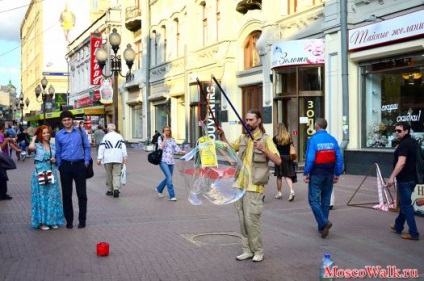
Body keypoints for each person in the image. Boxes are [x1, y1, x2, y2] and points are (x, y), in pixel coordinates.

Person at [217, 109, 281, 262]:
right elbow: (229, 149)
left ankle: (258, 250)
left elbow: (278, 161)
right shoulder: (244, 138)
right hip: (239, 184)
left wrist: (263, 149)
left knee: (251, 220)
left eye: (251, 120)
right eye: (247, 120)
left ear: (259, 121)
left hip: (255, 186)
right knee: (242, 220)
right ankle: (247, 250)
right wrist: (222, 135)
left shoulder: (266, 139)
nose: (248, 122)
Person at [303, 118, 343, 239]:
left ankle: (324, 222)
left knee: (313, 200)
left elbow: (310, 158)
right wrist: (337, 173)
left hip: (316, 173)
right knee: (325, 199)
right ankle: (323, 226)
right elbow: (339, 158)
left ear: (316, 126)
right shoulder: (332, 139)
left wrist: (306, 172)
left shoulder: (313, 139)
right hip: (329, 173)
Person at [55, 111, 91, 229]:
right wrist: (60, 165)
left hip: (80, 166)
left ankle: (82, 220)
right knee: (66, 195)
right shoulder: (59, 135)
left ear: (72, 120)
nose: (67, 122)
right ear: (62, 122)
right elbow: (58, 151)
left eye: (68, 119)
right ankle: (69, 220)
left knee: (82, 194)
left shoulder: (80, 132)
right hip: (65, 166)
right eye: (64, 120)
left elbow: (87, 147)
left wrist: (86, 162)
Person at [387, 122, 420, 241]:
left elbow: (401, 163)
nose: (397, 133)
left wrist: (392, 177)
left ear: (406, 131)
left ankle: (413, 232)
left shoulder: (404, 145)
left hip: (405, 179)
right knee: (405, 204)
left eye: (399, 131)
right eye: (395, 130)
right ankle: (398, 225)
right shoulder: (413, 142)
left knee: (406, 206)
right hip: (413, 178)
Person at [29, 125, 65, 230]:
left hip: (52, 173)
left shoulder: (53, 145)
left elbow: (59, 159)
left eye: (48, 132)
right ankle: (42, 222)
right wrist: (33, 139)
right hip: (40, 174)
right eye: (44, 133)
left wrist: (55, 160)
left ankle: (52, 220)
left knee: (53, 198)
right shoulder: (37, 145)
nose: (46, 135)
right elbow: (30, 148)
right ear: (40, 134)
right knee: (42, 198)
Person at [97, 123, 127, 198]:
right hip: (118, 158)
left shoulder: (105, 137)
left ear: (108, 129)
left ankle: (110, 190)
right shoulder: (119, 136)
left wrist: (99, 158)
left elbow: (102, 148)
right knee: (117, 174)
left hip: (107, 159)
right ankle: (116, 188)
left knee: (108, 174)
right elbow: (123, 147)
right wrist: (125, 156)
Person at [156, 126, 185, 201]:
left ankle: (159, 189)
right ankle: (172, 196)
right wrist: (164, 138)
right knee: (169, 178)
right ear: (163, 131)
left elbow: (176, 148)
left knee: (168, 178)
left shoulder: (172, 140)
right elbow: (161, 147)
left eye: (168, 130)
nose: (167, 132)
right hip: (163, 161)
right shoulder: (160, 138)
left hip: (171, 161)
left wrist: (181, 152)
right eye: (165, 130)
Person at [273, 123, 296, 201]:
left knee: (279, 176)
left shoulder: (275, 138)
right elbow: (292, 145)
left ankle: (279, 193)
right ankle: (291, 190)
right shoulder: (288, 136)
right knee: (287, 175)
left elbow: (273, 148)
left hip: (279, 157)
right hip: (288, 157)